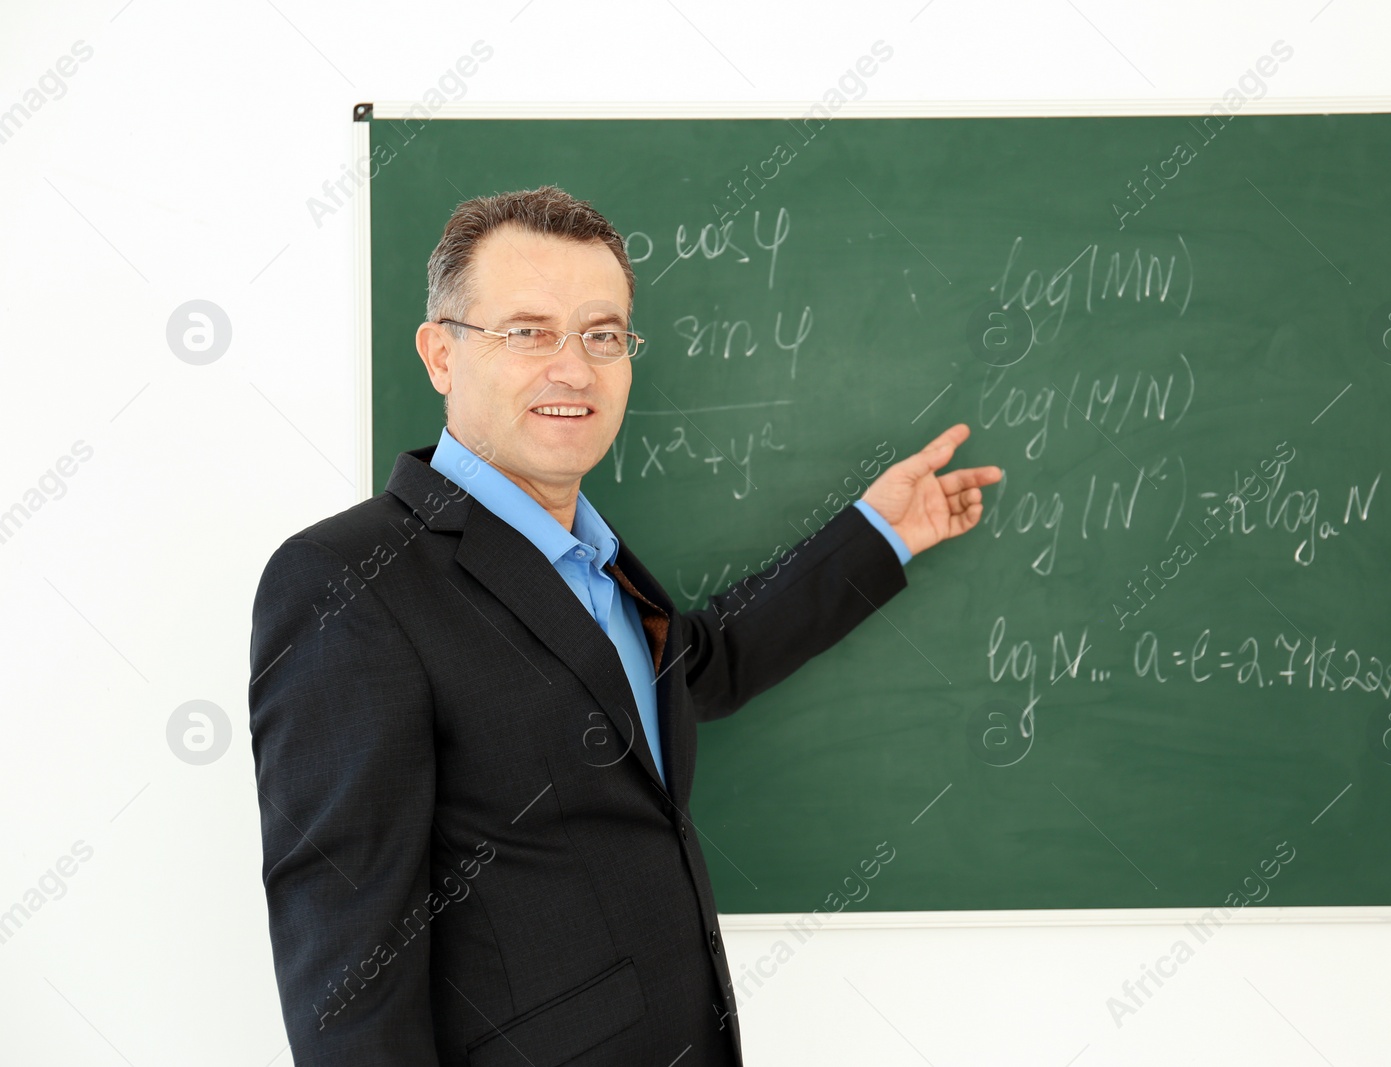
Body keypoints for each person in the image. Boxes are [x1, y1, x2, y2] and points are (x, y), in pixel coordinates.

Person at [247, 186, 1001, 1066]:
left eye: (602, 334)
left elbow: (700, 666)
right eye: (528, 331)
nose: (573, 367)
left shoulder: (596, 564)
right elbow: (351, 977)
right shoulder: (351, 581)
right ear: (440, 354)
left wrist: (877, 535)